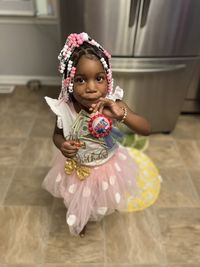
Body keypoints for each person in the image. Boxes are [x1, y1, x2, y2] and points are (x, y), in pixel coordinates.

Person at [42, 32, 161, 237]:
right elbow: (57, 135)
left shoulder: (114, 105)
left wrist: (121, 113)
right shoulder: (65, 110)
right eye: (80, 80)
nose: (91, 88)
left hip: (108, 166)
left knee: (102, 197)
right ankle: (82, 217)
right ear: (69, 82)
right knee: (80, 199)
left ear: (108, 79)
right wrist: (62, 145)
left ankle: (96, 209)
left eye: (98, 79)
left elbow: (146, 129)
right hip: (80, 169)